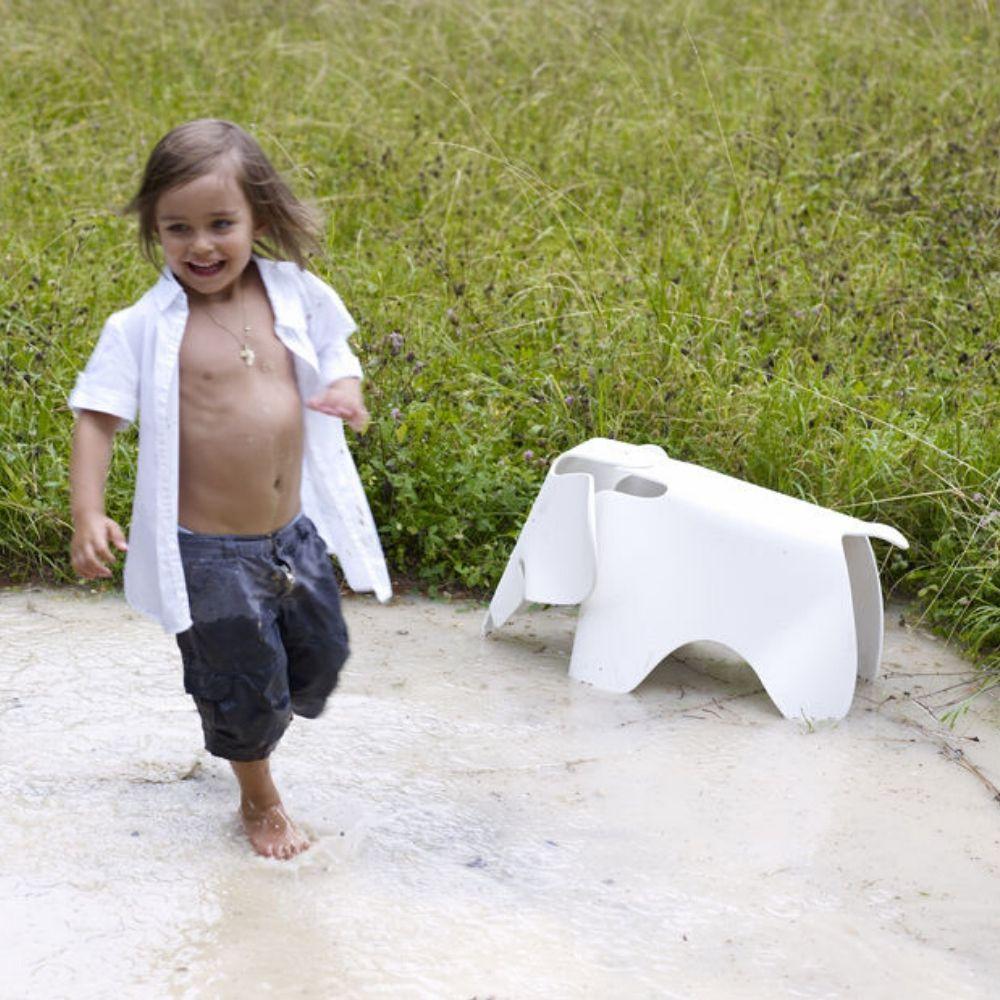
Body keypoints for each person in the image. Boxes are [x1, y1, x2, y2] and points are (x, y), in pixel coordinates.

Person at [68, 119, 392, 860]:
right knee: (243, 683)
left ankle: (262, 711)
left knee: (321, 661)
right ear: (155, 229)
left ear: (260, 218)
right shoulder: (144, 325)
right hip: (207, 553)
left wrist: (344, 388)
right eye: (178, 228)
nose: (201, 246)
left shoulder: (292, 291)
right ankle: (259, 796)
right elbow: (96, 416)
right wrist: (89, 511)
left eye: (221, 224)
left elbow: (337, 349)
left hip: (293, 534)